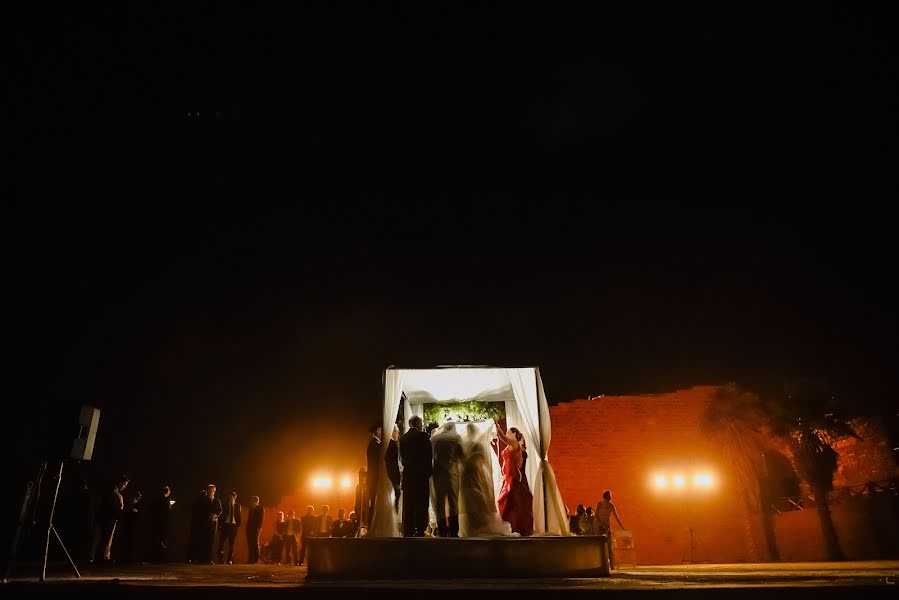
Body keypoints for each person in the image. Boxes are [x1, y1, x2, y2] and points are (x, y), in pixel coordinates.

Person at [496, 426, 533, 536]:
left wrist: (497, 426)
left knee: (513, 502)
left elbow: (502, 437)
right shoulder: (511, 445)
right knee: (509, 502)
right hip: (507, 477)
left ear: (514, 434)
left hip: (513, 477)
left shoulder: (514, 443)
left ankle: (517, 526)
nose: (507, 433)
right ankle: (511, 525)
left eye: (509, 432)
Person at [399, 415, 433, 537]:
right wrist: (429, 472)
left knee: (408, 503)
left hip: (409, 475)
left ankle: (408, 529)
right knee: (421, 503)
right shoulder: (424, 437)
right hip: (421, 475)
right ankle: (420, 528)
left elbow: (402, 459)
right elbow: (429, 456)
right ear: (419, 424)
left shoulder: (403, 438)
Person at [431, 422, 463, 537]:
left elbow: (431, 455)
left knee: (440, 502)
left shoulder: (435, 438)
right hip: (452, 473)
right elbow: (461, 455)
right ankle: (454, 531)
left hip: (437, 474)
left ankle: (442, 530)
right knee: (453, 502)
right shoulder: (456, 437)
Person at [90, 475, 129, 564]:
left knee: (97, 538)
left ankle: (92, 557)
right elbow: (118, 509)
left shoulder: (107, 492)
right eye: (124, 485)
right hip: (110, 520)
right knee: (107, 539)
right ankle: (104, 557)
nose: (125, 487)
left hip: (101, 519)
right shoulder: (117, 495)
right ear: (120, 483)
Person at [595, 490, 625, 568]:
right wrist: (602, 525)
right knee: (601, 546)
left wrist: (622, 527)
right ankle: (602, 564)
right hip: (600, 527)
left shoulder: (610, 506)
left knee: (608, 546)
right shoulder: (600, 504)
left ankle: (611, 565)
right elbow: (596, 516)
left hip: (606, 528)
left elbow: (616, 517)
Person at [145, 485, 173, 563]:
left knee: (155, 540)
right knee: (162, 540)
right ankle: (162, 559)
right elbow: (167, 512)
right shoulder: (166, 500)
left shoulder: (157, 500)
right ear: (167, 491)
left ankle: (154, 558)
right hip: (163, 523)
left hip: (156, 523)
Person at [114, 489, 142, 563]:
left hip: (131, 527)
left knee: (130, 542)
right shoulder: (131, 505)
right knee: (128, 542)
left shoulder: (135, 504)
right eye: (138, 495)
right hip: (129, 527)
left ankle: (128, 558)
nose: (139, 497)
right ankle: (126, 558)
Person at [217, 491, 241, 564]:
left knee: (231, 544)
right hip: (225, 525)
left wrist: (238, 525)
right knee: (221, 543)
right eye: (229, 497)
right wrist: (220, 525)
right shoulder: (224, 505)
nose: (230, 498)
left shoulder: (238, 506)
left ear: (234, 497)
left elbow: (238, 516)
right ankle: (220, 559)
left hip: (233, 526)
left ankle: (229, 560)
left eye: (232, 497)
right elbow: (221, 515)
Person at [201, 484, 223, 564]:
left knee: (211, 540)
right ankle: (203, 559)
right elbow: (201, 510)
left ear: (214, 491)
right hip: (205, 522)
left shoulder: (217, 500)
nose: (210, 492)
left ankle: (209, 559)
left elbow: (220, 510)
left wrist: (215, 516)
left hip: (213, 522)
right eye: (209, 490)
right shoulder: (204, 500)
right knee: (204, 539)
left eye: (212, 490)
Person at [366, 423, 382, 527]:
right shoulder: (374, 444)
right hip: (374, 477)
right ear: (378, 431)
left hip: (374, 477)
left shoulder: (375, 444)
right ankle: (372, 524)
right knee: (374, 502)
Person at [186, 489, 207, 563]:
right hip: (200, 525)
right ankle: (197, 558)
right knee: (199, 542)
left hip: (194, 525)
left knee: (192, 542)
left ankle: (189, 558)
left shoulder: (196, 502)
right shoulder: (204, 503)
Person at [385, 426, 402, 511]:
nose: (398, 434)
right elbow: (393, 463)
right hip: (393, 475)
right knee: (396, 497)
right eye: (397, 432)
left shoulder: (390, 444)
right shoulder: (392, 444)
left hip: (392, 474)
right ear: (392, 432)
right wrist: (397, 478)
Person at [246, 496, 264, 564]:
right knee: (250, 543)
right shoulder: (251, 509)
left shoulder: (260, 509)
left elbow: (261, 519)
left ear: (255, 501)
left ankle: (256, 559)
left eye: (252, 501)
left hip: (256, 528)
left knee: (255, 543)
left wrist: (259, 528)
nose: (251, 502)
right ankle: (250, 559)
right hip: (249, 528)